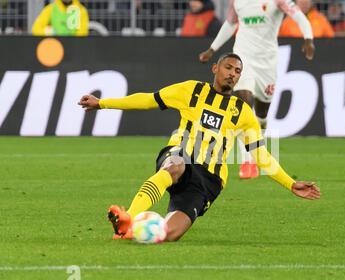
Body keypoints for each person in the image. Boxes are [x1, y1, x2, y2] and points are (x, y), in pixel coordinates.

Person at [78, 53, 321, 242]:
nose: (232, 74)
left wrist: (290, 183)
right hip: (181, 156)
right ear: (215, 68)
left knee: (170, 234)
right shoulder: (191, 90)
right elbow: (148, 99)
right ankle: (128, 218)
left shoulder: (243, 113)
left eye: (237, 71)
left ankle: (133, 231)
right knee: (176, 165)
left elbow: (261, 155)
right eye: (228, 68)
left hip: (209, 180)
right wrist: (103, 103)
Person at [198, 0, 315, 180]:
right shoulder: (237, 2)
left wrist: (308, 39)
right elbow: (230, 23)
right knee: (244, 101)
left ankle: (258, 140)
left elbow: (299, 17)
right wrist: (212, 49)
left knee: (261, 113)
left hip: (267, 63)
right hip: (243, 58)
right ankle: (248, 162)